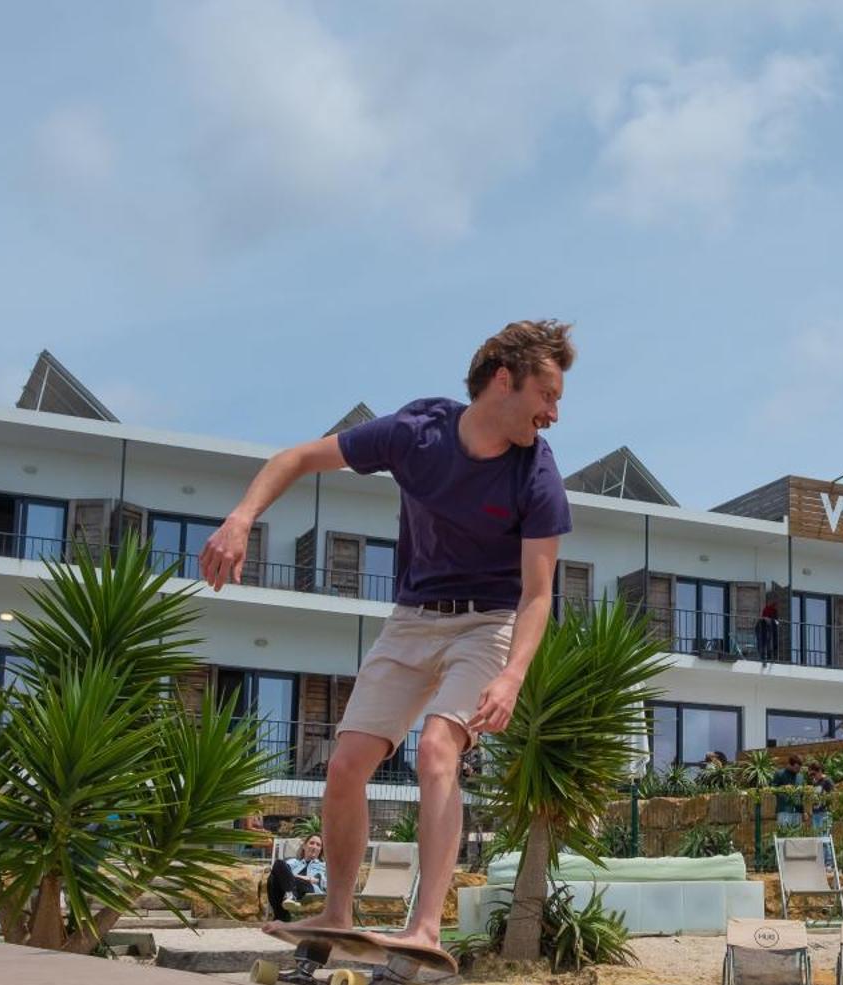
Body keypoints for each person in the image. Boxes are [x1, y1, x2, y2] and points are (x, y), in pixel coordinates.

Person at [201, 320, 575, 952]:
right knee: (346, 765)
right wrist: (241, 518)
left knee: (436, 750)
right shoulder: (415, 435)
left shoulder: (535, 475)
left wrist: (512, 674)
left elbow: (539, 595)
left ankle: (425, 928)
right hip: (412, 617)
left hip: (488, 622)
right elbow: (295, 457)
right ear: (504, 380)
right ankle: (337, 913)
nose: (554, 414)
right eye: (548, 395)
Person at [266, 833, 327, 922]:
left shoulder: (324, 866)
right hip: (291, 885)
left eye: (318, 845)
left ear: (320, 850)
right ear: (304, 846)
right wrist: (307, 878)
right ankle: (289, 896)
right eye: (311, 843)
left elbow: (323, 883)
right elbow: (277, 871)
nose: (314, 847)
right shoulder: (293, 862)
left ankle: (282, 915)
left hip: (309, 888)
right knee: (275, 871)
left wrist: (294, 877)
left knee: (295, 881)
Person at [771, 752, 805, 827]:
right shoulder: (779, 774)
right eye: (796, 768)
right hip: (784, 810)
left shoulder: (801, 777)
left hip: (797, 812)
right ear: (790, 764)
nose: (798, 770)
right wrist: (783, 788)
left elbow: (802, 796)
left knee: (797, 837)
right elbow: (772, 789)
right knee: (783, 836)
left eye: (799, 768)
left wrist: (803, 812)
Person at [755, 593, 778, 661]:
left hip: (767, 629)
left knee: (767, 643)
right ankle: (765, 657)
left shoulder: (772, 609)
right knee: (765, 643)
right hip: (764, 629)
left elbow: (776, 621)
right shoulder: (769, 609)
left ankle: (767, 657)